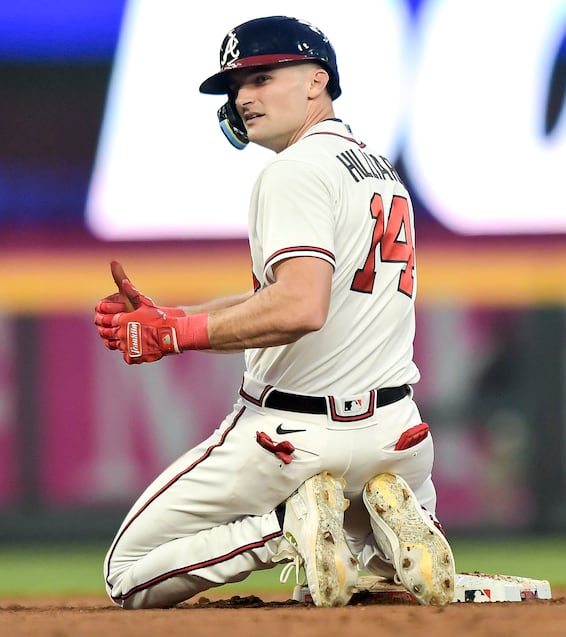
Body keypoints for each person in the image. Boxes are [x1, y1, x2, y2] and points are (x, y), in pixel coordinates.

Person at [94, 15, 455, 609]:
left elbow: (299, 306)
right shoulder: (379, 171)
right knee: (378, 588)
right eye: (237, 86)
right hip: (397, 436)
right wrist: (172, 319)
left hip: (290, 440)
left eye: (261, 77)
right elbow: (294, 295)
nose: (243, 97)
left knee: (127, 574)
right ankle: (381, 538)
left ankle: (284, 528)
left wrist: (178, 334)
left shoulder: (292, 170)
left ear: (317, 81)